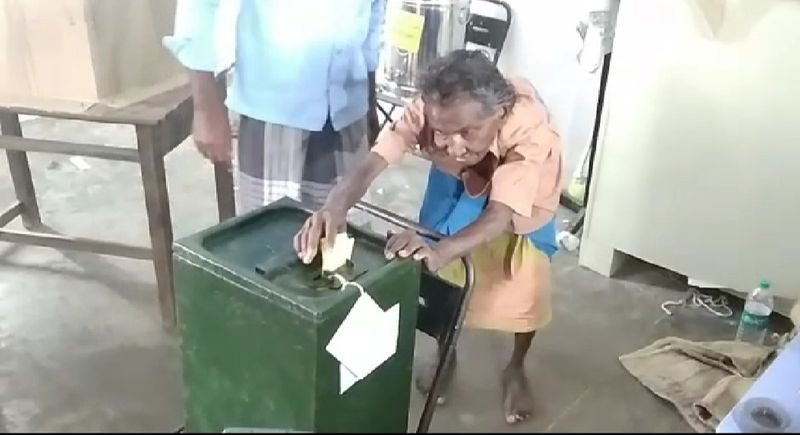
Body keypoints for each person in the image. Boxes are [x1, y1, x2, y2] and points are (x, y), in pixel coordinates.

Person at [294, 49, 563, 424]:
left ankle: (516, 366)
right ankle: (445, 352)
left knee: (523, 287)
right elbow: (378, 156)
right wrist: (335, 206)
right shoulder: (432, 107)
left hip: (519, 203)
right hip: (457, 181)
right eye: (442, 133)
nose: (453, 145)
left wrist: (443, 250)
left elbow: (501, 213)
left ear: (499, 115)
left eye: (468, 132)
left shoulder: (529, 133)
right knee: (441, 279)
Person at [164, 0, 385, 212]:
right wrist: (205, 106)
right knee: (269, 239)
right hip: (273, 116)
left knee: (344, 238)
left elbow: (374, 12)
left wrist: (369, 98)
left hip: (348, 113)